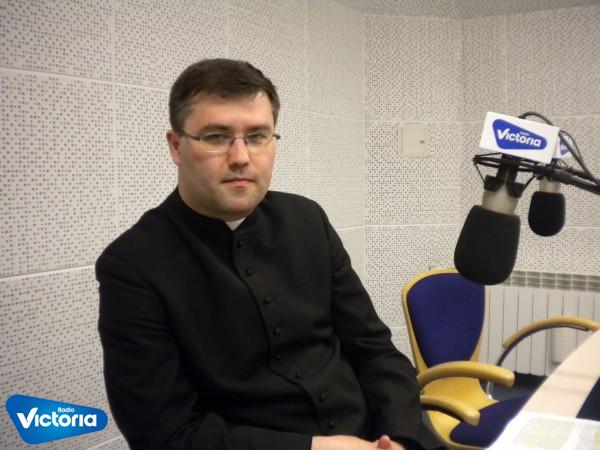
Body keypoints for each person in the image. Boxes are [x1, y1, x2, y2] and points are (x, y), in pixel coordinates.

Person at [96, 58, 445, 450]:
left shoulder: (307, 219)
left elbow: (374, 349)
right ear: (177, 146)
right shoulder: (133, 265)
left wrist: (400, 436)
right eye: (216, 136)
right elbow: (165, 435)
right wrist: (316, 449)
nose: (240, 157)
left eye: (258, 136)